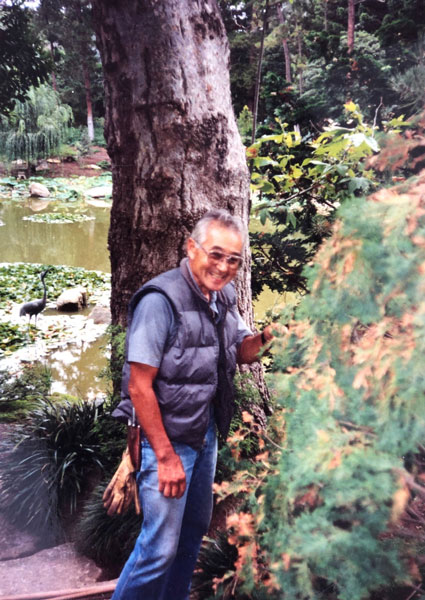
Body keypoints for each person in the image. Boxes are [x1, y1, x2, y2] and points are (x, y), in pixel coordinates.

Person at [111, 209, 277, 600]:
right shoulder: (160, 301)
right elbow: (139, 387)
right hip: (163, 440)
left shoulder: (223, 296)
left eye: (233, 260)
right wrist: (166, 458)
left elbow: (241, 351)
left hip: (203, 434)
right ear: (191, 248)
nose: (223, 267)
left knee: (191, 536)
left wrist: (271, 336)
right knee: (158, 549)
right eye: (215, 254)